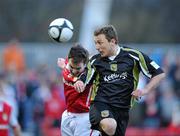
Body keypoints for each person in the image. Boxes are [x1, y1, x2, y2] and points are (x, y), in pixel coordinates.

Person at [74, 25, 165, 136]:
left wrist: (145, 90)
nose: (97, 47)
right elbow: (85, 75)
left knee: (112, 129)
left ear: (113, 41)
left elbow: (159, 73)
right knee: (110, 125)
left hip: (123, 109)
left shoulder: (133, 56)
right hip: (100, 105)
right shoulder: (95, 60)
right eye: (95, 43)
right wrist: (79, 81)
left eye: (100, 43)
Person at [57, 44, 99, 136]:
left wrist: (65, 67)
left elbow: (68, 75)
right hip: (68, 114)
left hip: (85, 117)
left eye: (78, 68)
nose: (74, 71)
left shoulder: (89, 72)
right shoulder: (68, 63)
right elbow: (67, 74)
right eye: (72, 67)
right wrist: (66, 67)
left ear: (85, 64)